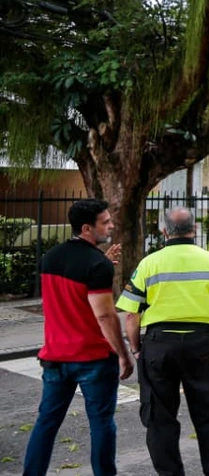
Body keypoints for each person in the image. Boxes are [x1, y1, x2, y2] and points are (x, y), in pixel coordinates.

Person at [116, 207, 209, 476]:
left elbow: (131, 314)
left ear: (164, 232)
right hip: (201, 345)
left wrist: (136, 348)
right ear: (194, 230)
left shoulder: (149, 264)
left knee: (159, 419)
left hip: (158, 346)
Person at [23, 198, 134, 476]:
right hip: (93, 358)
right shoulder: (97, 265)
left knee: (46, 423)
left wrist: (101, 262)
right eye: (105, 222)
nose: (111, 225)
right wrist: (123, 354)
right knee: (101, 423)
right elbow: (105, 317)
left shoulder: (51, 257)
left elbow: (72, 294)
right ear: (87, 227)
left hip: (55, 357)